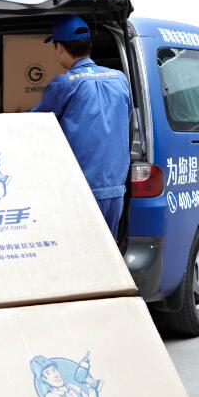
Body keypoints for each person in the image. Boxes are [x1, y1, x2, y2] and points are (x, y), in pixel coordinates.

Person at [31, 15, 132, 238]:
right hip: (115, 188)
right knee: (108, 251)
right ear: (89, 45)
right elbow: (127, 122)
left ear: (59, 47)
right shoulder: (119, 79)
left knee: (80, 251)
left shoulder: (63, 84)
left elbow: (34, 127)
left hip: (81, 190)